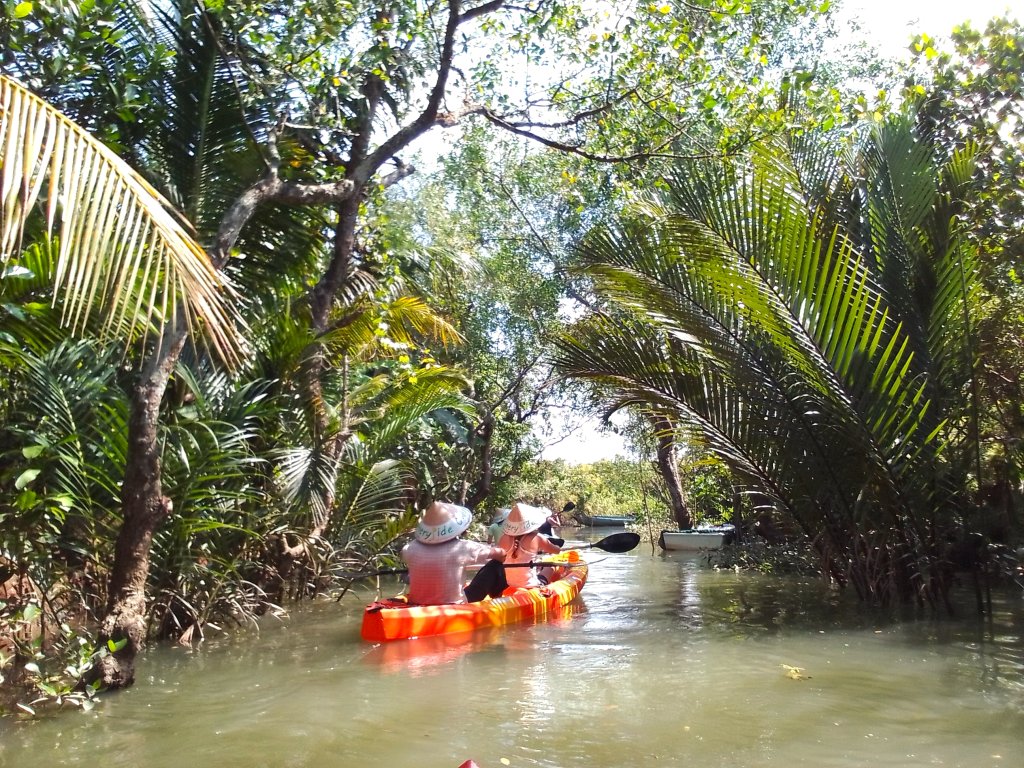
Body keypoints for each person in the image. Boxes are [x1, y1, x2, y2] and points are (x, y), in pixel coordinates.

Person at [401, 501, 506, 605]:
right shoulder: (463, 547)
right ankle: (497, 598)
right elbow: (501, 554)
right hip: (455, 604)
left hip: (416, 603)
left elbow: (404, 556)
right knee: (496, 565)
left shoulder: (410, 547)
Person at [498, 502, 563, 589]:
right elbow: (556, 551)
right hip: (531, 586)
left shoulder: (503, 538)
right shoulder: (537, 537)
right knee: (551, 566)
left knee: (537, 564)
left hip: (510, 584)